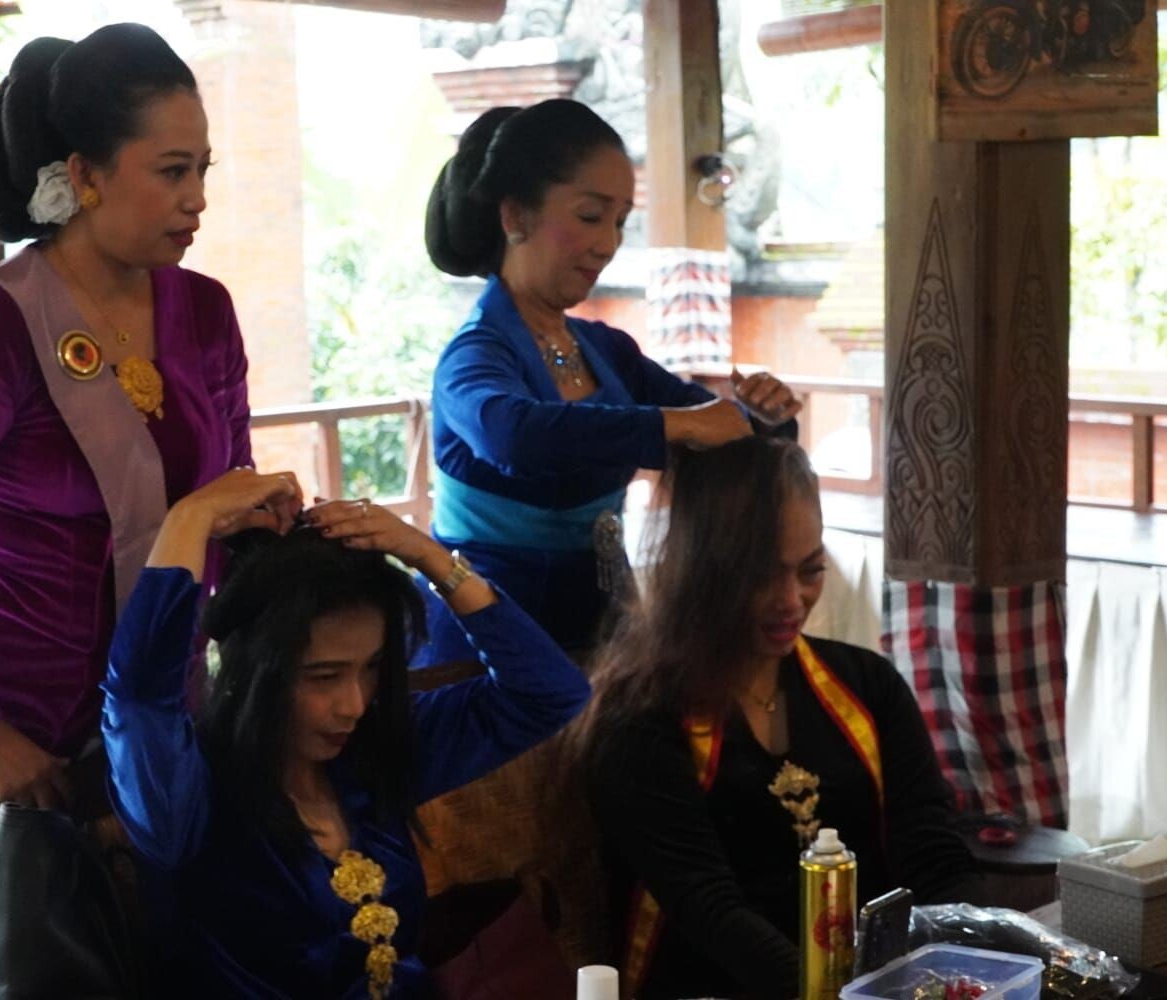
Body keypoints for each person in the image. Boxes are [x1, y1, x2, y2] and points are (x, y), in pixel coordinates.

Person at [0, 23, 298, 932]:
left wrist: (265, 521)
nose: (197, 199)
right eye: (172, 171)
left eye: (204, 171)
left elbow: (230, 491)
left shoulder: (205, 310)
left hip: (161, 715)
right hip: (18, 731)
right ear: (85, 174)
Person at [101, 470, 591, 996]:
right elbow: (137, 700)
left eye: (372, 667)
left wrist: (429, 556)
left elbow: (549, 694)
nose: (354, 704)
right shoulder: (184, 800)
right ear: (255, 672)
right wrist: (189, 519)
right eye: (324, 677)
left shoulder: (376, 751)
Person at [573, 437, 979, 999]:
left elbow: (933, 859)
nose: (791, 600)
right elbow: (710, 910)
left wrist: (969, 966)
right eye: (762, 575)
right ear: (701, 568)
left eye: (810, 571)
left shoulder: (870, 687)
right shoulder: (638, 718)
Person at [419, 99, 802, 662]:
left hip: (605, 630)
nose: (609, 243)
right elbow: (513, 436)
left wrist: (766, 420)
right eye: (590, 216)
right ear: (516, 216)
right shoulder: (475, 353)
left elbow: (716, 428)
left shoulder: (607, 350)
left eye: (620, 221)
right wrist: (674, 426)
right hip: (488, 644)